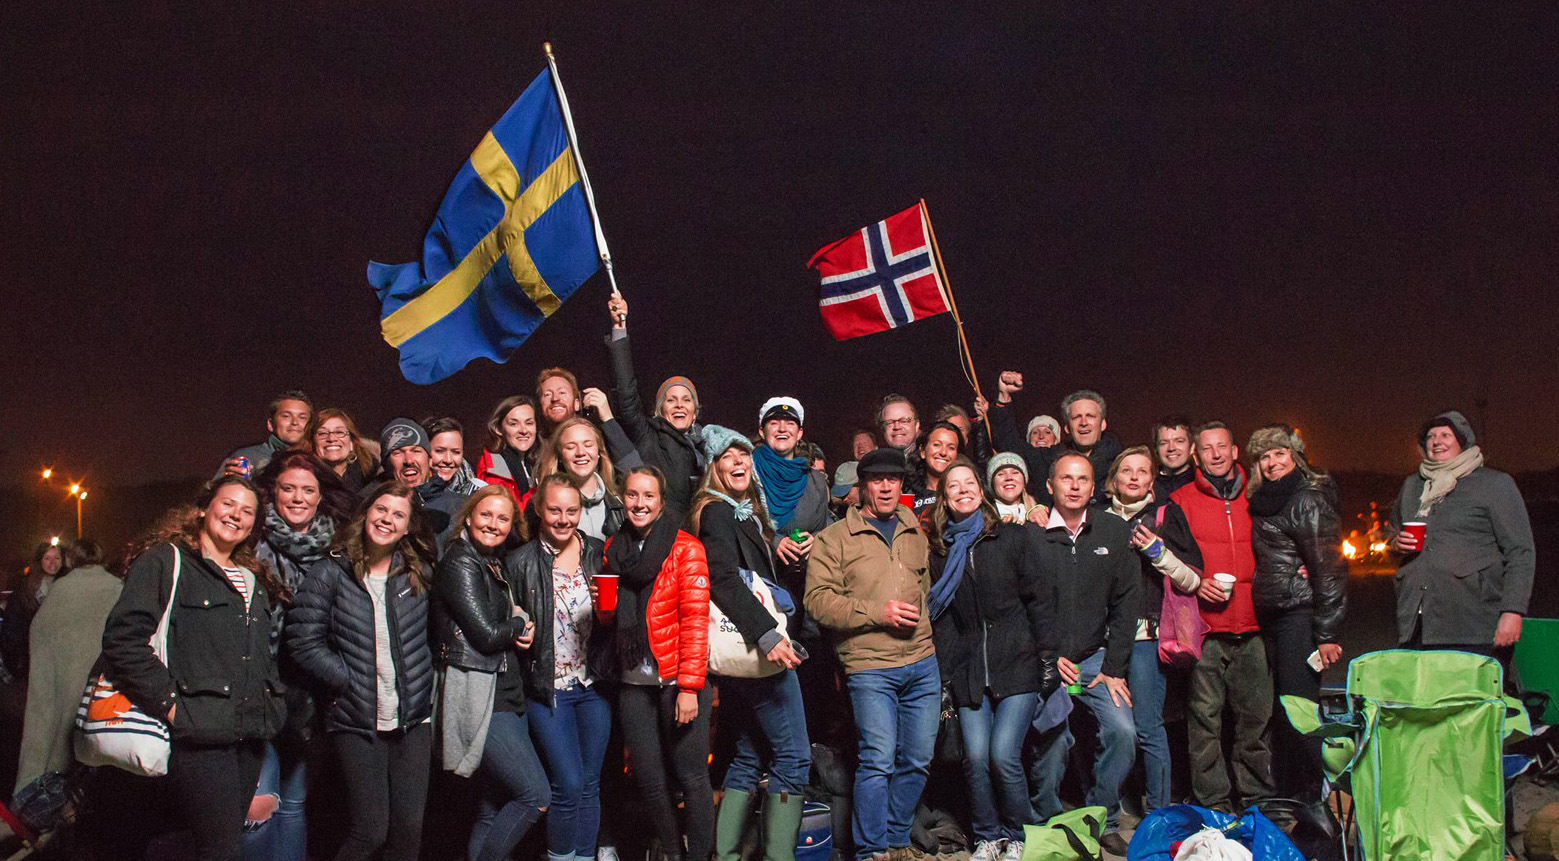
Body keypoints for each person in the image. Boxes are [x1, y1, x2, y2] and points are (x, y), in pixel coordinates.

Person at [103, 476, 287, 861]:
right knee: (221, 850)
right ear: (205, 508)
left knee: (217, 844)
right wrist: (171, 704)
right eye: (228, 504)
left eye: (247, 511)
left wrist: (273, 705)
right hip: (200, 737)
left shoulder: (252, 579)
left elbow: (257, 656)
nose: (235, 515)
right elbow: (123, 641)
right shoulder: (165, 561)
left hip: (247, 737)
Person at [286, 483, 437, 861]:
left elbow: (437, 632)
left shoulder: (417, 572)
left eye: (398, 515)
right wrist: (346, 679)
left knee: (408, 834)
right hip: (355, 719)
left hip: (412, 720)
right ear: (366, 513)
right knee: (370, 831)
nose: (387, 519)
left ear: (407, 527)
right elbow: (302, 641)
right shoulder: (331, 571)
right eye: (381, 510)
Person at [805, 448, 937, 861]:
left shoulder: (916, 531)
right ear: (863, 486)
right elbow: (817, 601)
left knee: (918, 759)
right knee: (877, 760)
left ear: (901, 485)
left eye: (893, 480)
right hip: (870, 667)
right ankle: (871, 850)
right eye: (877, 480)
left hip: (922, 662)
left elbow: (925, 589)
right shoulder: (834, 539)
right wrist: (875, 613)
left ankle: (897, 840)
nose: (885, 486)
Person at [926, 459, 1057, 861]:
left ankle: (1018, 834)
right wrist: (946, 676)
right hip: (969, 669)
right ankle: (987, 837)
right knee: (976, 758)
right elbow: (945, 622)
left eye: (970, 483)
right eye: (954, 486)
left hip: (1017, 662)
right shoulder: (942, 551)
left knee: (1003, 755)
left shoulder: (1012, 537)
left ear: (981, 491)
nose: (963, 490)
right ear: (945, 499)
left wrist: (1047, 657)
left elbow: (1041, 598)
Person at [691, 427, 811, 861]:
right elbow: (723, 579)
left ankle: (724, 857)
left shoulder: (741, 512)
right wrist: (767, 635)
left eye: (744, 454)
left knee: (748, 756)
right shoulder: (718, 513)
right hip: (756, 649)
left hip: (742, 658)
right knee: (794, 758)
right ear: (714, 467)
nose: (739, 461)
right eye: (728, 456)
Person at [1027, 454, 1139, 855]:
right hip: (1047, 658)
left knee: (1123, 731)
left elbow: (1127, 604)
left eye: (1083, 479)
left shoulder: (1112, 529)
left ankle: (1102, 816)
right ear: (1050, 485)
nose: (1074, 486)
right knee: (1055, 737)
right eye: (1066, 478)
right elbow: (1019, 604)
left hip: (1094, 658)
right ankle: (1048, 820)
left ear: (1094, 488)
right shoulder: (1031, 533)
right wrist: (1047, 654)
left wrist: (1114, 668)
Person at [600, 466, 713, 861]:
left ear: (661, 502)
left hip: (676, 680)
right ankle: (670, 852)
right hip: (634, 681)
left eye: (648, 496)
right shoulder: (613, 548)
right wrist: (605, 609)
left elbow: (697, 621)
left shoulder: (686, 548)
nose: (640, 503)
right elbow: (608, 620)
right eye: (632, 495)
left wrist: (689, 687)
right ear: (623, 499)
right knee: (649, 780)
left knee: (693, 777)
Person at [246, 452, 354, 859]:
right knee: (258, 807)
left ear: (320, 496)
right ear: (271, 492)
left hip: (314, 696)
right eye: (288, 488)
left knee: (293, 804)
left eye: (307, 490)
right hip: (258, 689)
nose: (297, 498)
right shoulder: (250, 541)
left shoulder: (340, 547)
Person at [434, 486, 550, 861]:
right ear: (468, 517)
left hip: (506, 689)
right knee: (535, 795)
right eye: (486, 515)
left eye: (503, 518)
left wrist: (518, 621)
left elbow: (504, 617)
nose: (494, 524)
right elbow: (485, 635)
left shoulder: (492, 561)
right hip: (482, 694)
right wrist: (518, 622)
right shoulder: (461, 562)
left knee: (490, 805)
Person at [1170, 422, 1273, 813]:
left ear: (1234, 452)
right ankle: (1213, 804)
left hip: (1254, 625)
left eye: (1222, 447)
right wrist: (1197, 584)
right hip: (1206, 629)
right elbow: (1170, 559)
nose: (1215, 454)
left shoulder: (1260, 495)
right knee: (1204, 724)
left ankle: (1258, 801)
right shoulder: (1181, 500)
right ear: (1196, 456)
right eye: (1207, 448)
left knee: (1255, 723)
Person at [511, 475, 615, 861]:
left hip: (593, 685)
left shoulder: (598, 552)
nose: (563, 518)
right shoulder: (520, 560)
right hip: (548, 686)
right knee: (568, 783)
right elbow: (508, 611)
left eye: (571, 510)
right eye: (554, 509)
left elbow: (618, 618)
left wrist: (612, 609)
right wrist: (516, 620)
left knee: (589, 785)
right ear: (539, 508)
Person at [1245, 425, 1348, 805]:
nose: (1272, 463)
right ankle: (1288, 793)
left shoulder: (1307, 498)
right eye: (1264, 456)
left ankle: (1315, 797)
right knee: (1279, 710)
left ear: (1295, 455)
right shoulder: (1264, 498)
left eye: (1279, 453)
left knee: (1299, 710)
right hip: (1273, 615)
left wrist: (1327, 634)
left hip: (1300, 616)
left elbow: (1329, 567)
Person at [1387, 410, 1535, 662]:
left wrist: (1513, 611)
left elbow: (1520, 551)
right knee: (1422, 699)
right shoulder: (1413, 485)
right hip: (1417, 619)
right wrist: (1395, 542)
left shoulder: (1494, 484)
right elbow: (1391, 531)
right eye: (1431, 436)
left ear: (1462, 441)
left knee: (1470, 699)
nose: (1437, 441)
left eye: (1446, 434)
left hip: (1472, 620)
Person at [1103, 447, 1202, 819]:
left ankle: (1159, 813)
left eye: (1142, 471)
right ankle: (1106, 810)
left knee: (1147, 725)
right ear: (1113, 479)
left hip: (1146, 639)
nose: (1133, 477)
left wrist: (1156, 550)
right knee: (1108, 728)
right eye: (1125, 470)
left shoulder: (1165, 515)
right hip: (1102, 643)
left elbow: (1193, 580)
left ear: (1151, 479)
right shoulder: (1098, 519)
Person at [14, 540, 120, 794]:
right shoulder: (117, 587)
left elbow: (39, 631)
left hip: (59, 683)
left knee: (52, 744)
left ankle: (37, 806)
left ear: (71, 560)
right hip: (102, 688)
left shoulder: (61, 589)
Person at [605, 294, 706, 519]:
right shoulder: (649, 435)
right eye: (671, 400)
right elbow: (627, 395)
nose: (679, 405)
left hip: (698, 540)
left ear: (695, 412)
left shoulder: (709, 445)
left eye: (686, 400)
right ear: (660, 410)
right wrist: (619, 329)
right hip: (661, 533)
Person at [379, 417, 466, 552]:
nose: (409, 460)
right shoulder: (370, 505)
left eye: (416, 451)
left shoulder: (460, 506)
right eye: (398, 452)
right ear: (385, 464)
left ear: (428, 458)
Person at [535, 417, 625, 542]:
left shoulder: (620, 501)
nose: (580, 452)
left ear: (599, 451)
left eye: (588, 445)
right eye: (571, 447)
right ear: (560, 455)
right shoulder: (543, 502)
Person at [1, 543, 63, 679]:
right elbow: (13, 626)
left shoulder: (66, 586)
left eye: (56, 558)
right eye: (47, 558)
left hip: (61, 660)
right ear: (40, 561)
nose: (52, 563)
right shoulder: (25, 588)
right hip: (32, 660)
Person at [221, 390, 313, 477]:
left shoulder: (315, 460)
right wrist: (226, 482)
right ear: (270, 424)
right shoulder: (247, 457)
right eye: (286, 416)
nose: (295, 422)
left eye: (302, 417)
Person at [477, 395, 542, 500]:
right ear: (498, 429)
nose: (524, 430)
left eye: (529, 423)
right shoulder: (494, 466)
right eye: (514, 424)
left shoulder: (537, 462)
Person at [308, 408, 379, 494]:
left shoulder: (372, 477)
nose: (331, 438)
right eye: (323, 433)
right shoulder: (301, 476)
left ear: (351, 442)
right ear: (312, 442)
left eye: (339, 432)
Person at [904, 421, 963, 519]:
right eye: (937, 445)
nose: (943, 452)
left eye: (951, 448)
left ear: (957, 456)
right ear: (923, 451)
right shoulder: (907, 493)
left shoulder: (963, 492)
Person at [425, 416, 488, 497]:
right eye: (440, 451)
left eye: (456, 452)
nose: (448, 460)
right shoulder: (410, 491)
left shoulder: (476, 494)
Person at [985, 453, 1039, 524]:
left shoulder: (1037, 512)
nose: (1009, 478)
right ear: (993, 483)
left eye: (1015, 473)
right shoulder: (984, 517)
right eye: (1001, 474)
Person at [1152, 416, 1196, 499]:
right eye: (1164, 443)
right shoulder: (1147, 487)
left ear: (1192, 447)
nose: (1171, 448)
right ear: (1155, 450)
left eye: (1179, 441)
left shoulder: (1202, 485)